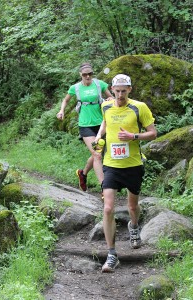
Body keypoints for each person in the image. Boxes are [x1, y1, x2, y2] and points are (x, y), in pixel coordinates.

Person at [94, 74, 157, 272]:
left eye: (124, 91)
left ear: (130, 89)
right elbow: (105, 122)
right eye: (117, 91)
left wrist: (133, 136)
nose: (120, 95)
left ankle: (134, 226)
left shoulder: (139, 107)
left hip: (133, 164)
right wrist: (98, 135)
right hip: (111, 164)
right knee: (108, 208)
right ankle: (112, 254)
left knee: (132, 206)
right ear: (112, 89)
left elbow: (153, 133)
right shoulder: (105, 106)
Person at [56, 62, 113, 193]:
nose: (88, 77)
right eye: (85, 74)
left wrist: (110, 100)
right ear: (80, 75)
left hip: (101, 124)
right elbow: (66, 100)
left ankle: (83, 173)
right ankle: (105, 188)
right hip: (85, 125)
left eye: (90, 74)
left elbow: (110, 97)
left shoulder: (100, 84)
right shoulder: (75, 88)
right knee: (97, 155)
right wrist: (62, 111)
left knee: (97, 153)